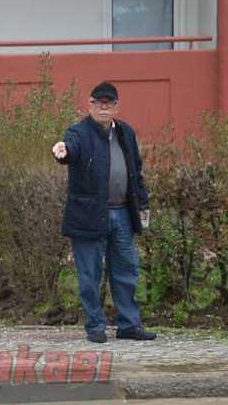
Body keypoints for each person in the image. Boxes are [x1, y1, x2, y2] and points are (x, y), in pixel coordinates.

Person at [51, 82, 156, 343]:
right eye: (99, 102)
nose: (104, 107)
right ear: (90, 104)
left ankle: (129, 325)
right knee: (89, 274)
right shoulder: (78, 132)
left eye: (109, 102)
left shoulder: (126, 133)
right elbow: (70, 148)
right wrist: (63, 151)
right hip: (88, 215)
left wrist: (142, 204)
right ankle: (95, 326)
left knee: (126, 271)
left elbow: (136, 172)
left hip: (123, 214)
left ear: (116, 106)